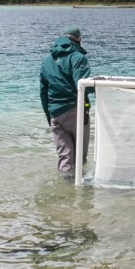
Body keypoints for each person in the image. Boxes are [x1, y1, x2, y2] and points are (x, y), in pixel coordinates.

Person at [39, 26, 94, 176]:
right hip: (75, 110)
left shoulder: (47, 61)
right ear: (79, 40)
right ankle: (79, 193)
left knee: (65, 157)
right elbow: (81, 84)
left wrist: (49, 116)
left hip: (55, 112)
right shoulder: (78, 58)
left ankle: (64, 193)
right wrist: (98, 88)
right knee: (79, 157)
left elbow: (43, 92)